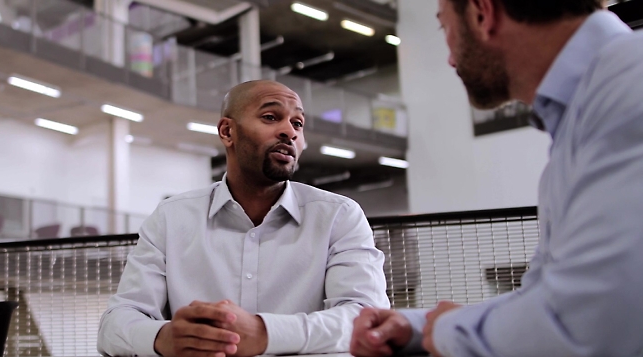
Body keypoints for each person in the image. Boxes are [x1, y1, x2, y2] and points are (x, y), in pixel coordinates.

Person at [350, 0, 643, 356]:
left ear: (481, 14)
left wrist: (446, 329)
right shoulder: (587, 112)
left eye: (445, 28)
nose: (450, 59)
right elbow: (546, 297)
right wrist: (418, 326)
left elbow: (593, 323)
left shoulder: (630, 86)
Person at [98, 80, 391, 357]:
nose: (289, 131)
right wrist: (164, 338)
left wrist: (264, 333)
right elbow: (114, 325)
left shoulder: (338, 216)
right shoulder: (171, 218)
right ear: (228, 132)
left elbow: (366, 317)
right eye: (270, 117)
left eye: (297, 123)